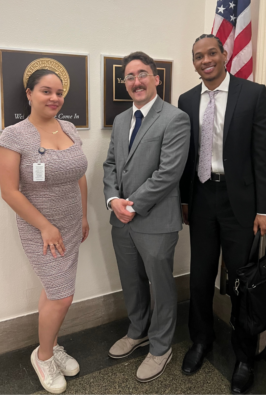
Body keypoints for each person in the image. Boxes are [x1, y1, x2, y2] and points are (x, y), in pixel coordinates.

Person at [177, 34, 266, 394]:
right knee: (200, 278)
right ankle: (201, 340)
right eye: (198, 56)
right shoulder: (187, 100)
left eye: (211, 53)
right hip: (202, 198)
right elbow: (187, 155)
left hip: (241, 204)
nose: (205, 60)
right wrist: (184, 199)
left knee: (241, 283)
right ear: (194, 63)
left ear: (224, 54)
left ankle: (245, 356)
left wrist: (265, 208)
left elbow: (262, 156)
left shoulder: (253, 94)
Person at [0, 69, 89, 394]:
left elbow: (79, 174)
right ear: (29, 93)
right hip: (41, 230)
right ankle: (43, 357)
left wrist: (84, 215)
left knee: (53, 292)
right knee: (62, 295)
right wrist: (46, 226)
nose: (54, 98)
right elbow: (9, 192)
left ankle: (52, 344)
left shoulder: (69, 128)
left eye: (59, 92)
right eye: (46, 91)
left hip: (71, 224)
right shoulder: (14, 135)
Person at [102, 51, 190, 383]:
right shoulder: (121, 120)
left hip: (155, 220)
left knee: (160, 285)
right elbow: (111, 164)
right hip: (121, 219)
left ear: (156, 78)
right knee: (131, 280)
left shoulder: (175, 118)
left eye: (142, 74)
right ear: (125, 82)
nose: (136, 81)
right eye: (130, 76)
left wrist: (132, 205)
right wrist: (113, 200)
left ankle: (161, 346)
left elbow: (169, 174)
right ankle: (137, 330)